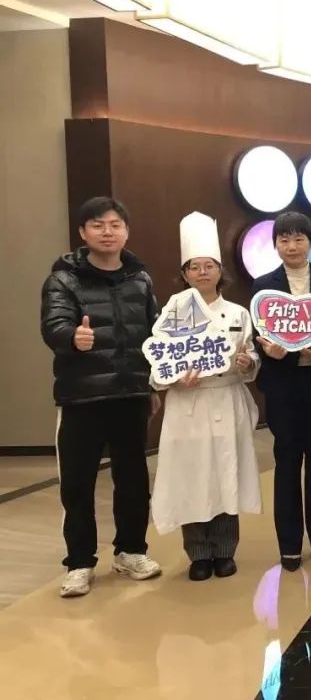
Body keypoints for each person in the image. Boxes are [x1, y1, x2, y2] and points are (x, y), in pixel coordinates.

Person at [40, 196, 163, 598]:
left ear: (126, 231)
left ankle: (131, 551)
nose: (107, 232)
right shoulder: (63, 279)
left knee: (133, 479)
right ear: (83, 232)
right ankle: (79, 562)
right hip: (82, 397)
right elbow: (53, 324)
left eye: (115, 225)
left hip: (130, 393)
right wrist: (71, 336)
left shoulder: (140, 279)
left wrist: (153, 384)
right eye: (97, 225)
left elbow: (155, 334)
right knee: (78, 484)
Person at [150, 212, 262, 581]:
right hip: (188, 405)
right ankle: (198, 553)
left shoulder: (238, 313)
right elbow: (157, 363)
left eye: (209, 265)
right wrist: (173, 378)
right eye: (194, 267)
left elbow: (251, 356)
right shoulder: (172, 313)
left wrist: (248, 362)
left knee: (226, 475)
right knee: (191, 477)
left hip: (226, 399)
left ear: (219, 271)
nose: (202, 272)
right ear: (184, 274)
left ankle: (225, 550)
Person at [253, 211, 311, 571]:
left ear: (310, 242)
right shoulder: (264, 285)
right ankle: (289, 544)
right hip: (283, 386)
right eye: (284, 239)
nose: (292, 246)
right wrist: (271, 351)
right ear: (275, 244)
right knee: (287, 461)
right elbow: (259, 332)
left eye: (298, 239)